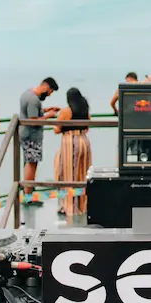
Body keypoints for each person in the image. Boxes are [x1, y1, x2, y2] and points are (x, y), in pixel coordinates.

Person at [54, 87, 93, 225]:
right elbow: (87, 126)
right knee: (83, 174)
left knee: (67, 174)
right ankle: (83, 206)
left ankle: (70, 207)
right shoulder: (85, 110)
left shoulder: (66, 111)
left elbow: (57, 129)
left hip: (70, 142)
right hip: (84, 141)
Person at [19, 77, 60, 206]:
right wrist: (49, 116)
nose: (49, 95)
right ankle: (28, 195)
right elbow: (33, 120)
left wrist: (46, 110)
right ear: (46, 87)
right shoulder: (33, 99)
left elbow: (32, 113)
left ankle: (28, 191)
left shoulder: (28, 94)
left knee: (29, 162)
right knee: (31, 164)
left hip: (26, 134)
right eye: (50, 92)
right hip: (31, 136)